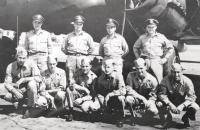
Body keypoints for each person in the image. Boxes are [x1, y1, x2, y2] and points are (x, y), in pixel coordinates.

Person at [157, 63, 199, 128]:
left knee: (195, 107)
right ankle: (166, 119)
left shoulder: (187, 81)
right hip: (169, 101)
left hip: (182, 102)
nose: (176, 75)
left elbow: (192, 97)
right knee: (159, 103)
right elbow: (161, 95)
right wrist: (170, 104)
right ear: (171, 72)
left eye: (178, 72)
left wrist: (182, 106)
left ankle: (185, 117)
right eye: (174, 72)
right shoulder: (165, 79)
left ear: (182, 72)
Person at [3, 47, 41, 118]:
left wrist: (24, 79)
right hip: (18, 91)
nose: (22, 60)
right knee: (7, 96)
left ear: (26, 58)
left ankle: (30, 108)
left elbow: (38, 78)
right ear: (16, 57)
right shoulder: (10, 66)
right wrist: (15, 91)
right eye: (20, 58)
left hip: (29, 90)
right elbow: (7, 83)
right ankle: (18, 104)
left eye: (24, 58)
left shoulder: (32, 64)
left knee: (32, 84)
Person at [133, 18, 174, 83]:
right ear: (146, 28)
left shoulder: (161, 37)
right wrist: (138, 58)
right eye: (149, 27)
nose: (151, 29)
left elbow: (171, 48)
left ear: (156, 27)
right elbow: (135, 47)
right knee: (142, 77)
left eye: (153, 27)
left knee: (159, 79)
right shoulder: (142, 37)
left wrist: (165, 59)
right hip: (145, 60)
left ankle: (159, 92)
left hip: (156, 60)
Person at [93, 59, 126, 127]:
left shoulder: (118, 76)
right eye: (105, 67)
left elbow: (123, 91)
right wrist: (102, 100)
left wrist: (110, 94)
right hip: (105, 99)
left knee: (120, 98)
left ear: (113, 67)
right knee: (97, 103)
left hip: (115, 97)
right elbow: (99, 92)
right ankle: (107, 113)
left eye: (108, 67)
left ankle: (120, 117)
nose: (106, 69)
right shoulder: (101, 78)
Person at [125, 58, 158, 125]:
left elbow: (154, 95)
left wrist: (150, 101)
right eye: (137, 69)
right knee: (128, 99)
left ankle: (145, 117)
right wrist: (142, 98)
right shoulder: (130, 75)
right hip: (136, 98)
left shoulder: (152, 80)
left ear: (145, 67)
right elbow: (129, 90)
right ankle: (133, 116)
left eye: (141, 68)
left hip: (147, 100)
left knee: (154, 111)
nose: (139, 71)